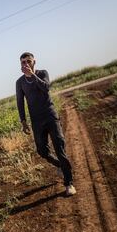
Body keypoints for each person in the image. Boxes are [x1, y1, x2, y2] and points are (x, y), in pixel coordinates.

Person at [15, 52, 76, 196]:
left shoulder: (42, 73)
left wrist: (33, 76)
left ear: (34, 62)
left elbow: (46, 88)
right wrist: (23, 122)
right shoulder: (20, 82)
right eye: (23, 62)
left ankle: (69, 184)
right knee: (42, 151)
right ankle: (60, 165)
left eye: (28, 61)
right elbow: (19, 102)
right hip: (36, 120)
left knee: (59, 148)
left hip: (50, 116)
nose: (26, 64)